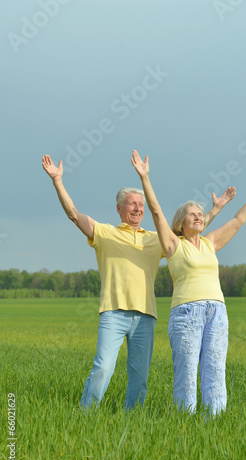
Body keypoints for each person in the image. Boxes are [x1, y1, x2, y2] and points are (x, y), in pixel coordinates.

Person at [42, 154, 233, 411]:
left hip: (145, 316)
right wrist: (57, 181)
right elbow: (74, 215)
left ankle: (131, 420)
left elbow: (186, 228)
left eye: (141, 205)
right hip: (114, 313)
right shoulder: (105, 233)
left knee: (140, 380)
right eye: (131, 204)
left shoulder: (155, 239)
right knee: (104, 367)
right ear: (119, 208)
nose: (138, 208)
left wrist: (214, 210)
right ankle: (85, 414)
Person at [131, 149, 246, 415]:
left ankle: (215, 423)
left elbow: (239, 219)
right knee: (187, 374)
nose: (199, 216)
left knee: (215, 370)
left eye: (201, 213)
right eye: (192, 214)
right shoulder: (173, 245)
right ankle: (186, 423)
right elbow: (155, 211)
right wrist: (145, 178)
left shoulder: (210, 244)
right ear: (181, 222)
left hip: (217, 312)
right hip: (186, 313)